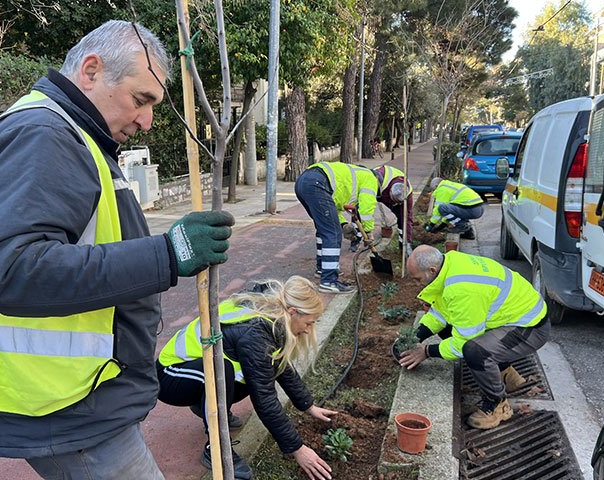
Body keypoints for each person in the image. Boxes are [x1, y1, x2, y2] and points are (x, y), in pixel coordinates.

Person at [0, 20, 235, 479]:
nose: (147, 121)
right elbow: (16, 271)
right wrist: (167, 253)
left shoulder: (75, 137)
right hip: (62, 405)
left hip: (74, 399)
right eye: (141, 100)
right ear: (91, 70)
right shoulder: (42, 135)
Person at [157, 276, 337, 480]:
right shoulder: (256, 333)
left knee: (253, 373)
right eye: (309, 323)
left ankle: (206, 406)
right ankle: (215, 448)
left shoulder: (273, 318)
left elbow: (280, 366)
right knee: (224, 371)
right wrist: (297, 449)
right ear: (293, 312)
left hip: (199, 373)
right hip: (171, 375)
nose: (308, 329)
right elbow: (265, 399)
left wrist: (308, 405)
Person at [398, 245, 550, 430]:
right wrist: (416, 336)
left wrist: (427, 351)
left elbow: (462, 344)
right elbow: (443, 312)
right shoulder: (451, 264)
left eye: (417, 279)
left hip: (530, 328)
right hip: (512, 318)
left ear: (431, 270)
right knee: (455, 330)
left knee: (475, 351)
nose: (417, 283)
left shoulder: (462, 289)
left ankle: (497, 405)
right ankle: (508, 377)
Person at [294, 161, 379, 293]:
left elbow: (331, 205)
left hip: (303, 182)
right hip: (317, 183)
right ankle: (329, 281)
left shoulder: (351, 176)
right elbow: (366, 210)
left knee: (324, 229)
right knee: (332, 233)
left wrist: (343, 224)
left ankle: (322, 269)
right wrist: (368, 232)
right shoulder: (370, 179)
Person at [371, 164, 413, 254]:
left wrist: (407, 243)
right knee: (363, 211)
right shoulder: (377, 180)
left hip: (390, 195)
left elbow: (407, 218)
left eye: (397, 202)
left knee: (403, 219)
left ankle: (404, 244)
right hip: (378, 190)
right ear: (390, 192)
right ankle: (356, 237)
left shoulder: (407, 195)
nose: (395, 204)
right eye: (393, 201)